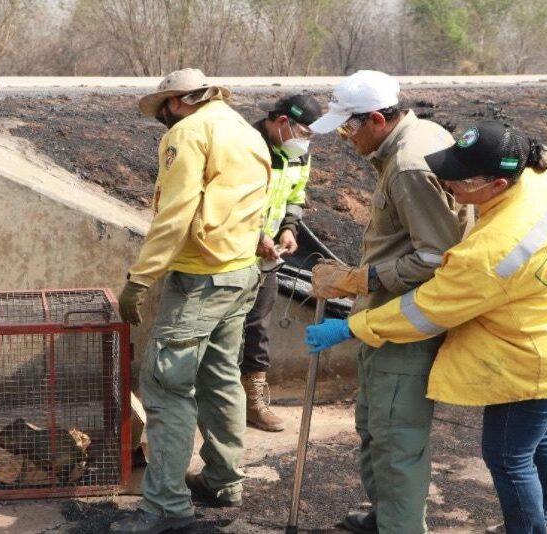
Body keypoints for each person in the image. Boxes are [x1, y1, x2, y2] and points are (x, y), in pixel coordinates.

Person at [306, 120, 547, 534]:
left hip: (525, 360)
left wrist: (354, 327)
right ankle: (544, 520)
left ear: (498, 184)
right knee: (538, 441)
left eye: (458, 181)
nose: (447, 187)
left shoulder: (490, 252)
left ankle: (530, 528)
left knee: (508, 457)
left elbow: (425, 310)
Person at [308, 70, 472, 534]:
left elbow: (437, 256)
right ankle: (387, 517)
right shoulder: (409, 140)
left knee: (396, 439)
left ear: (377, 119)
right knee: (375, 428)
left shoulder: (408, 165)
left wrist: (365, 279)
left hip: (405, 323)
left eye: (348, 127)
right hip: (383, 317)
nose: (344, 137)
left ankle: (400, 527)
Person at [111, 68, 270, 534]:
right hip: (242, 272)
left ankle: (164, 507)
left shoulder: (188, 131)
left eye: (164, 110)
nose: (163, 119)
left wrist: (140, 279)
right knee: (221, 377)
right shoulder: (244, 129)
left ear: (177, 102)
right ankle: (223, 481)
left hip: (201, 278)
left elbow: (176, 211)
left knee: (166, 388)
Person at [241, 94, 322, 432]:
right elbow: (232, 201)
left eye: (310, 136)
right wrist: (256, 236)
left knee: (258, 328)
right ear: (281, 121)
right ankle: (220, 402)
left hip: (267, 257)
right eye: (302, 131)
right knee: (225, 332)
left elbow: (295, 195)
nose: (305, 141)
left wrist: (288, 228)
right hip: (231, 256)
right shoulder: (246, 146)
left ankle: (253, 401)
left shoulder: (296, 153)